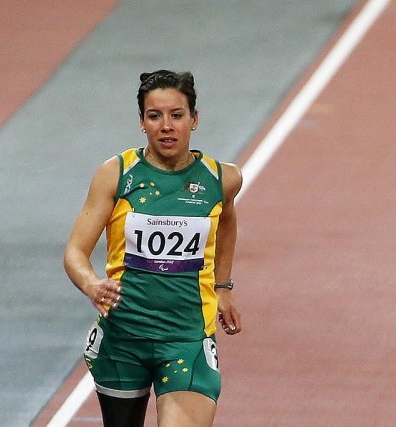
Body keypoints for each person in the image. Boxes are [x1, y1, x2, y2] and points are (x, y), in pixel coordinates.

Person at [63, 70, 244, 427]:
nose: (166, 126)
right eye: (154, 116)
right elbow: (75, 251)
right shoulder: (116, 174)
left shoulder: (223, 179)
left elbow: (226, 223)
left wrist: (222, 287)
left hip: (186, 338)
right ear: (142, 122)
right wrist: (91, 283)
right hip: (123, 338)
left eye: (177, 115)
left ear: (194, 119)